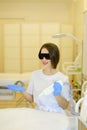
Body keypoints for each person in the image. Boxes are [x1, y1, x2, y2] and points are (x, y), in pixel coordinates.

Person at [7, 43, 71, 114]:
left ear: (54, 57)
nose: (43, 59)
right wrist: (22, 90)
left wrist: (57, 94)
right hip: (39, 113)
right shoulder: (35, 75)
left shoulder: (63, 78)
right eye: (41, 56)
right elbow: (31, 99)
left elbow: (65, 106)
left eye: (47, 56)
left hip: (56, 115)